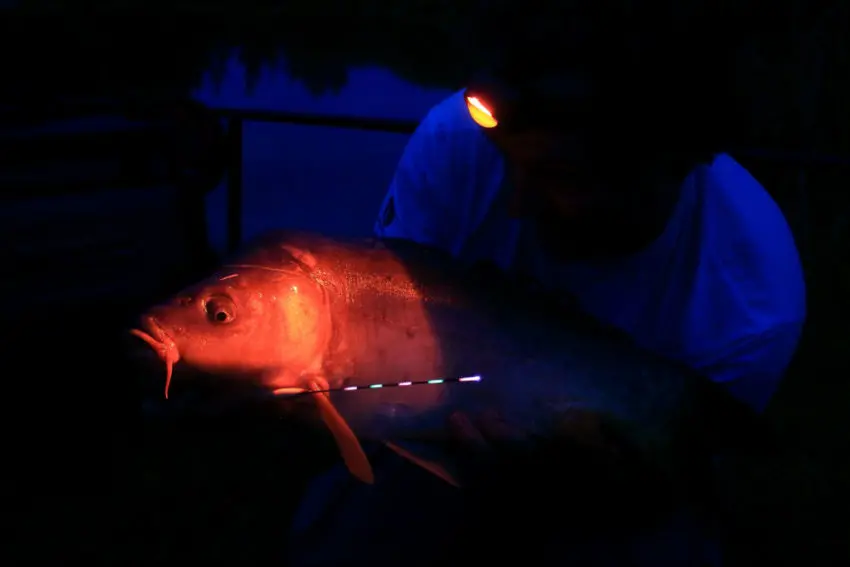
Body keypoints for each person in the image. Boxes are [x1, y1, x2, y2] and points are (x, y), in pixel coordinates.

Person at [287, 36, 806, 567]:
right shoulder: (458, 141)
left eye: (561, 177)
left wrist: (589, 477)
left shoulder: (749, 304)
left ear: (668, 164)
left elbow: (667, 485)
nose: (514, 202)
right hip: (436, 441)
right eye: (509, 163)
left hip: (606, 495)